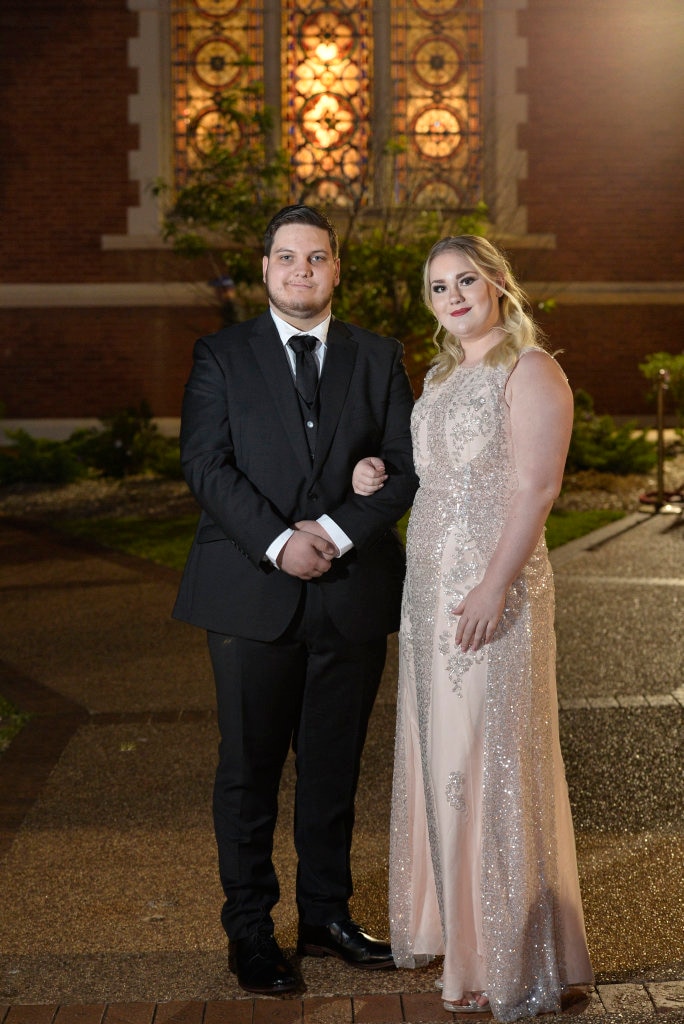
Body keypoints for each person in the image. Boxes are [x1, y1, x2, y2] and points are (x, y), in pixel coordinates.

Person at [173, 205, 418, 996]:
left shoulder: (379, 357)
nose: (302, 272)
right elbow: (206, 465)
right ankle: (250, 931)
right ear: (267, 268)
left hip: (351, 592)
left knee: (334, 767)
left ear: (336, 268)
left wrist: (339, 534)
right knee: (248, 771)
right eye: (287, 258)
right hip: (252, 593)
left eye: (316, 258)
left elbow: (406, 468)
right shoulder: (222, 355)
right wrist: (283, 543)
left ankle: (325, 915)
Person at [353, 236, 594, 1020]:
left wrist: (494, 585)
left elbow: (537, 485)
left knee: (489, 762)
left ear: (496, 284)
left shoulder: (530, 370)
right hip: (429, 599)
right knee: (444, 761)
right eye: (436, 288)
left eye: (465, 280)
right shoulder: (441, 376)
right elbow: (445, 475)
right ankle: (465, 940)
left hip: (495, 597)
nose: (452, 296)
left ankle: (508, 957)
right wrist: (376, 474)